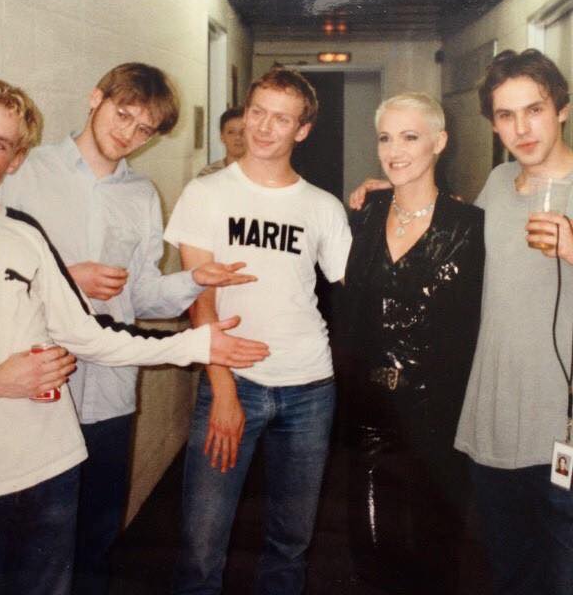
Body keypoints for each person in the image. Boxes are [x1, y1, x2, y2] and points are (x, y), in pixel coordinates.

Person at [0, 79, 269, 595]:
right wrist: (68, 277)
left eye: (144, 129)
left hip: (93, 400)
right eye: (123, 115)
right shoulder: (27, 170)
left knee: (89, 551)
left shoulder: (139, 195)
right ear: (95, 98)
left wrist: (191, 283)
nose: (129, 133)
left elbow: (136, 300)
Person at [349, 49, 573, 595]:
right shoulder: (497, 184)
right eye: (505, 115)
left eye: (534, 109)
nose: (521, 128)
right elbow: (450, 239)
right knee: (510, 571)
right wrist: (394, 191)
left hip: (562, 424)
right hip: (494, 423)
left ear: (562, 109)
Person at [164, 68, 352, 594]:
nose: (266, 128)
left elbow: (354, 284)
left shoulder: (322, 206)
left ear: (303, 130)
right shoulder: (205, 194)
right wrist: (222, 389)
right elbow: (200, 301)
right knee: (202, 547)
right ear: (246, 114)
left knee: (289, 545)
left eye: (282, 119)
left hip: (310, 388)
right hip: (232, 382)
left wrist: (389, 204)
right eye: (259, 112)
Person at [339, 92, 484, 594]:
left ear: (439, 143)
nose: (394, 150)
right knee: (371, 549)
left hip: (440, 418)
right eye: (385, 137)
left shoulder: (471, 226)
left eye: (410, 136)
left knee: (433, 555)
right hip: (371, 414)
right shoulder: (363, 211)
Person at [198, 106, 245, 177]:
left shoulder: (263, 173)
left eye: (243, 132)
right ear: (222, 137)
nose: (238, 137)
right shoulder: (208, 174)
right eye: (231, 132)